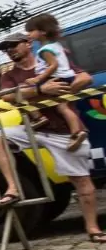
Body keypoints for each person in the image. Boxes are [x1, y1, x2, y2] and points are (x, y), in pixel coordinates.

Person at [0, 33, 104, 243]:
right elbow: (7, 96)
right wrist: (41, 90)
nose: (10, 50)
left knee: (82, 181)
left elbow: (85, 78)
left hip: (65, 130)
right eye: (6, 48)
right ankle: (12, 188)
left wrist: (59, 93)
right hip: (35, 128)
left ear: (28, 44)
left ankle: (93, 228)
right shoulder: (9, 75)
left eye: (13, 45)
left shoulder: (52, 59)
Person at [22, 13, 87, 151]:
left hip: (55, 78)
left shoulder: (45, 50)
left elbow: (53, 65)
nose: (29, 35)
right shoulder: (56, 45)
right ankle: (77, 132)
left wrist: (38, 79)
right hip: (67, 77)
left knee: (30, 96)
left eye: (31, 31)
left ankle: (39, 118)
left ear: (43, 32)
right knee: (63, 107)